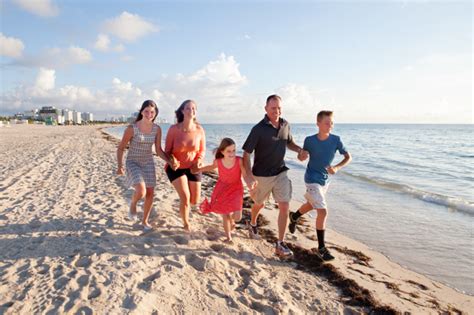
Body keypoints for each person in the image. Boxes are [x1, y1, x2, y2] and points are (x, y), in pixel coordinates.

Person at [242, 94, 308, 257]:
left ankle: (280, 243)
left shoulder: (285, 124)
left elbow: (289, 142)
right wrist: (249, 175)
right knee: (259, 204)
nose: (276, 111)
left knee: (284, 205)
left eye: (279, 108)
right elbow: (246, 153)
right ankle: (252, 222)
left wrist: (299, 150)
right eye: (273, 108)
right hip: (262, 175)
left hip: (280, 172)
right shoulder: (258, 129)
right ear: (266, 109)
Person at [289, 110, 352, 261]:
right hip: (311, 178)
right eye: (327, 122)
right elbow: (302, 157)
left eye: (331, 122)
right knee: (322, 211)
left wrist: (336, 167)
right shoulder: (309, 140)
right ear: (318, 124)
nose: (330, 125)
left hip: (325, 180)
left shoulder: (336, 140)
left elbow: (348, 157)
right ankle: (321, 248)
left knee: (312, 205)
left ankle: (294, 216)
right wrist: (301, 155)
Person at [117, 100, 176, 231]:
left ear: (155, 114)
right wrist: (120, 166)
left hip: (148, 162)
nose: (149, 114)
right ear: (141, 112)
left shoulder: (157, 129)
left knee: (150, 193)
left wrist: (170, 161)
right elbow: (121, 148)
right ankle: (133, 203)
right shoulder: (132, 128)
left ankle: (145, 222)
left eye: (152, 112)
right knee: (141, 191)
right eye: (146, 111)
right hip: (133, 162)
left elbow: (159, 150)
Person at [194, 138, 252, 243]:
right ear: (222, 152)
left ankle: (232, 221)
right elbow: (210, 167)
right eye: (229, 151)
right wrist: (199, 169)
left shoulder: (239, 161)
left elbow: (244, 174)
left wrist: (250, 184)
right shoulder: (218, 161)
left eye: (234, 150)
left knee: (237, 217)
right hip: (222, 189)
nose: (232, 153)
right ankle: (228, 236)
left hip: (236, 189)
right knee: (225, 214)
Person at [165, 100, 205, 232]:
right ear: (182, 111)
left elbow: (202, 151)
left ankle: (183, 204)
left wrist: (199, 160)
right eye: (188, 108)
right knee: (186, 198)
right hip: (176, 168)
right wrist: (172, 160)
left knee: (194, 200)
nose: (191, 111)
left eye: (194, 109)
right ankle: (186, 223)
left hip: (193, 167)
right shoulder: (173, 129)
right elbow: (167, 151)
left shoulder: (199, 130)